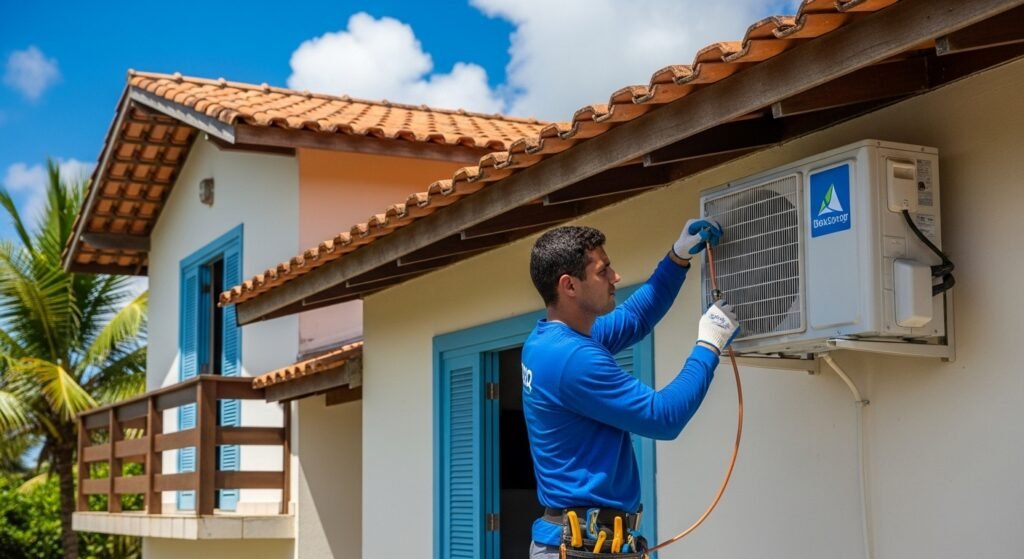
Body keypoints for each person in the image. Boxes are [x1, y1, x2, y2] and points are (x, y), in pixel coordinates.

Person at [522, 220, 740, 558]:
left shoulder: (552, 340)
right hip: (585, 548)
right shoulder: (572, 358)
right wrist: (708, 345)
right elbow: (662, 417)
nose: (615, 277)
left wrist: (677, 257)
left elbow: (636, 317)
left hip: (593, 542)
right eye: (602, 271)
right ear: (569, 286)